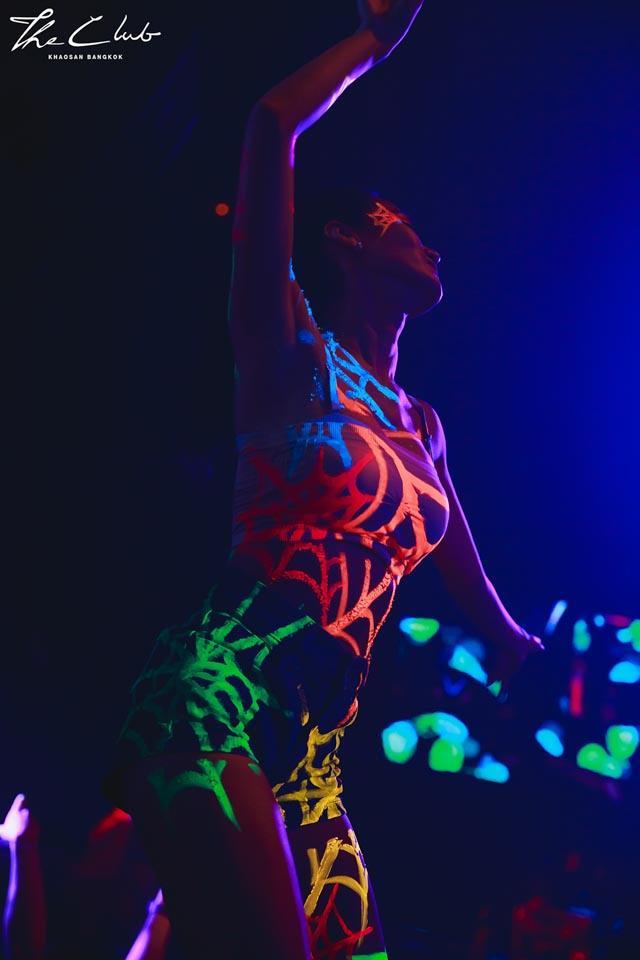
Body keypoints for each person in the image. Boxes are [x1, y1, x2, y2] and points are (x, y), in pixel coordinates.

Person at [102, 2, 544, 958]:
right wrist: (372, 45)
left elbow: (455, 548)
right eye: (405, 230)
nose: (432, 247)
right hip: (218, 698)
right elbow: (269, 125)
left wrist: (509, 637)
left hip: (315, 758)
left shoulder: (421, 423)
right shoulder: (289, 349)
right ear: (347, 239)